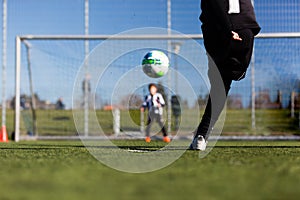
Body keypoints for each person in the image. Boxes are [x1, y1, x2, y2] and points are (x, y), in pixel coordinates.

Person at [189, 0, 261, 150]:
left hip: (220, 30)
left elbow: (216, 4)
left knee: (219, 84)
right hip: (246, 29)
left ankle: (202, 135)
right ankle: (202, 134)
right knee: (224, 82)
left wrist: (227, 29)